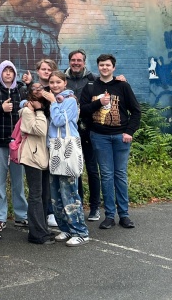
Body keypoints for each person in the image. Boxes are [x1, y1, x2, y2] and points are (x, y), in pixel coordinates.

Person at [80, 54, 141, 230]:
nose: (104, 68)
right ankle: (108, 216)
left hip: (121, 137)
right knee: (106, 175)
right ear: (98, 67)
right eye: (101, 65)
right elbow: (83, 110)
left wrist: (129, 131)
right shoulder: (91, 86)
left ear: (113, 68)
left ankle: (124, 215)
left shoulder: (123, 86)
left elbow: (136, 111)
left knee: (120, 175)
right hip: (100, 137)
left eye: (108, 65)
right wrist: (99, 102)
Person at [43, 71, 89, 246]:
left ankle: (80, 231)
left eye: (58, 82)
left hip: (67, 148)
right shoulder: (54, 100)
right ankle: (66, 229)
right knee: (55, 194)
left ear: (64, 83)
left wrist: (53, 102)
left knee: (69, 192)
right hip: (55, 149)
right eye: (51, 82)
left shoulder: (70, 100)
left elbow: (59, 121)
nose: (54, 86)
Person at [0, 60, 28, 231]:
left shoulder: (21, 90)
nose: (8, 74)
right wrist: (1, 108)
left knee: (18, 181)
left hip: (17, 144)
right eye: (4, 71)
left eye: (11, 71)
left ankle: (21, 215)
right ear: (0, 73)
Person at [64, 49, 101, 221]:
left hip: (89, 130)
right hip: (69, 132)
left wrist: (119, 79)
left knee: (92, 169)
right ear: (69, 61)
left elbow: (109, 87)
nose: (76, 63)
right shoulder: (62, 80)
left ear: (84, 62)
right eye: (73, 60)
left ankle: (94, 207)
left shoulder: (93, 80)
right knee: (74, 170)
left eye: (79, 60)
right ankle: (78, 205)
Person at [19, 83, 53, 245]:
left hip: (44, 156)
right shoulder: (27, 110)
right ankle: (36, 233)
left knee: (45, 194)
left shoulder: (46, 109)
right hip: (32, 157)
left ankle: (43, 228)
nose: (40, 92)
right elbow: (40, 130)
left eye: (42, 90)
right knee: (36, 195)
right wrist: (38, 110)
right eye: (36, 90)